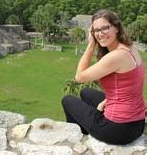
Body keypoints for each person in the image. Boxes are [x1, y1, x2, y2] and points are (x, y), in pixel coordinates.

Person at [62, 9, 145, 145]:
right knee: (85, 92)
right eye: (96, 30)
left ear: (116, 28)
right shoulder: (130, 47)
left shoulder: (116, 56)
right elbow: (131, 87)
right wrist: (104, 102)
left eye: (105, 28)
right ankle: (89, 126)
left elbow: (79, 77)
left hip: (118, 129)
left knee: (68, 100)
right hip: (137, 123)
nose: (100, 34)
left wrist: (90, 45)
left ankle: (82, 136)